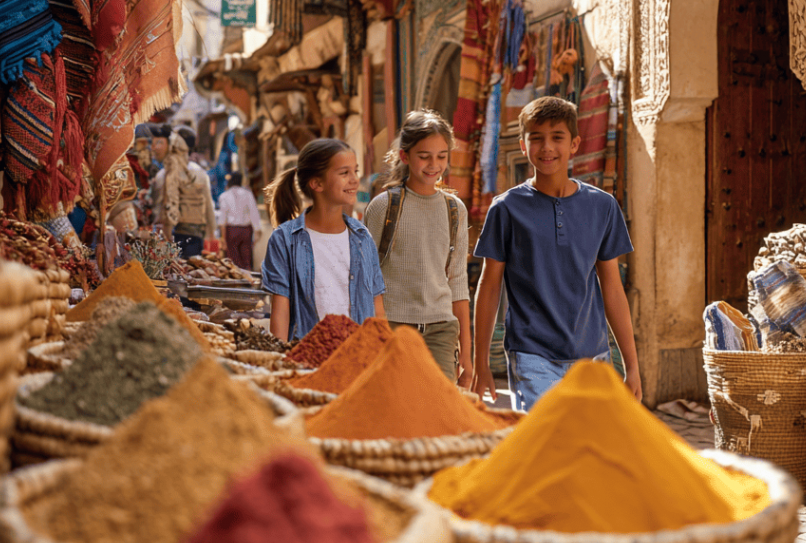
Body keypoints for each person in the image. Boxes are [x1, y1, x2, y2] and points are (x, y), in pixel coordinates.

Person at [470, 95, 642, 410]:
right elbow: (490, 285)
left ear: (574, 144)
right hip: (531, 356)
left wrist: (631, 366)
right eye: (536, 138)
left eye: (557, 137)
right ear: (523, 146)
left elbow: (612, 287)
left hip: (593, 358)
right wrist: (480, 362)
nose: (547, 147)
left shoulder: (602, 206)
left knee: (591, 439)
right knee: (546, 438)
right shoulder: (506, 209)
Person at [364, 110, 470, 384]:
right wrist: (378, 330)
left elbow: (458, 282)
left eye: (442, 156)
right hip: (392, 327)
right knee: (396, 404)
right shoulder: (383, 207)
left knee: (438, 405)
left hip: (441, 332)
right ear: (405, 156)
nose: (434, 164)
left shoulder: (455, 210)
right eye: (424, 156)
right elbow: (366, 277)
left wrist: (467, 356)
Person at [261, 138, 386, 341]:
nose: (355, 179)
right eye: (344, 173)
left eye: (355, 171)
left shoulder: (362, 237)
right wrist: (280, 356)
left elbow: (377, 308)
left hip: (358, 354)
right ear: (317, 183)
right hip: (308, 354)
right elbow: (280, 312)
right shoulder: (285, 239)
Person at [160, 128, 216, 258]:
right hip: (196, 234)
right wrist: (212, 232)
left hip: (175, 233)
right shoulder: (201, 173)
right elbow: (209, 205)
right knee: (192, 267)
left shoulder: (169, 172)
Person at [219, 172, 261, 270]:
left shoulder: (224, 195)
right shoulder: (248, 194)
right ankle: (247, 278)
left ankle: (235, 278)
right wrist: (257, 230)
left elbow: (222, 218)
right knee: (246, 260)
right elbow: (254, 212)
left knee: (233, 262)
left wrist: (222, 238)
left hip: (231, 231)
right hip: (246, 231)